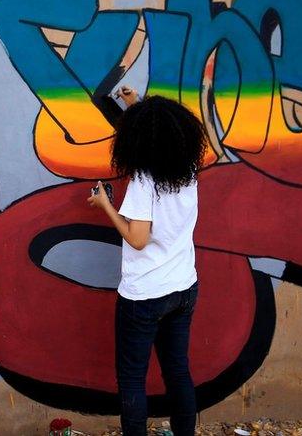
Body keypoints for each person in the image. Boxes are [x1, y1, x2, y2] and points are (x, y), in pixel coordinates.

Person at [87, 87, 208, 436]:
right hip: (183, 286)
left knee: (132, 379)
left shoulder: (144, 180)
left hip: (145, 295)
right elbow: (157, 138)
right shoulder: (186, 168)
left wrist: (105, 205)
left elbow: (138, 239)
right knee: (177, 371)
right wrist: (134, 106)